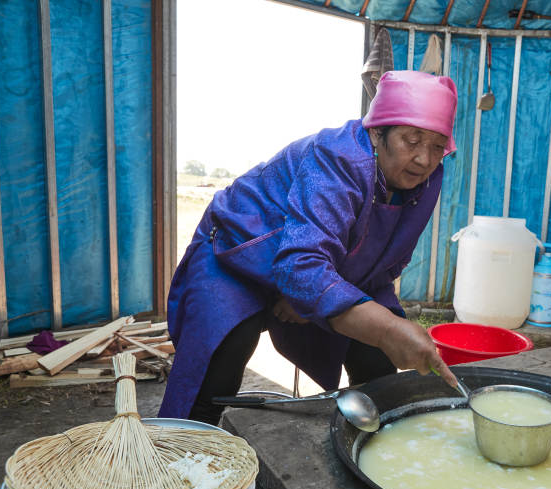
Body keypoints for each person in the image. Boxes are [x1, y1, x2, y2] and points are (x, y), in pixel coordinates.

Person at [159, 70, 460, 424]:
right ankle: (184, 456)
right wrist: (316, 292)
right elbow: (301, 268)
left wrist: (316, 296)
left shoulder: (427, 179)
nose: (425, 159)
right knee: (220, 362)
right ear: (377, 132)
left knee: (377, 364)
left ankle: (371, 446)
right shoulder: (338, 158)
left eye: (438, 146)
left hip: (313, 264)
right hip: (237, 253)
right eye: (412, 140)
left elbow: (388, 259)